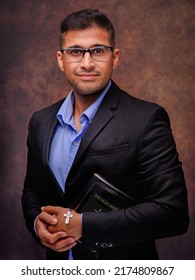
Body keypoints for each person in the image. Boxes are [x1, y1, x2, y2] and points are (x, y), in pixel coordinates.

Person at [21, 9, 189, 260]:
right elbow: (32, 191)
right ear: (60, 59)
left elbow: (172, 213)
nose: (87, 63)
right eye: (75, 51)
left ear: (115, 57)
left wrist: (84, 226)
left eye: (98, 50)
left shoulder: (146, 118)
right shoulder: (40, 121)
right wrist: (37, 223)